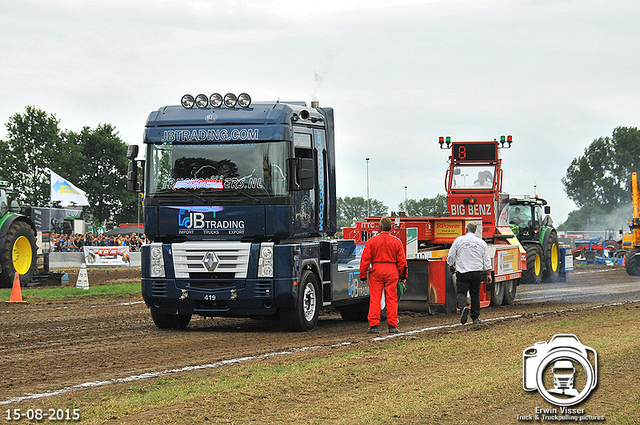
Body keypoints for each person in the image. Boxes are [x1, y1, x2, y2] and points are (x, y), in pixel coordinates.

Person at [360, 216, 408, 334]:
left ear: (380, 227)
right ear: (391, 228)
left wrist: (363, 275)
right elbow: (402, 262)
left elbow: (365, 259)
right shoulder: (397, 242)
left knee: (375, 298)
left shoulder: (372, 241)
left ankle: (374, 326)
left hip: (376, 270)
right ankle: (392, 326)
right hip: (392, 270)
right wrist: (403, 276)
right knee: (391, 299)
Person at [446, 222, 492, 325]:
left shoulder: (459, 240)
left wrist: (451, 266)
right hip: (477, 272)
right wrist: (489, 274)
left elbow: (451, 255)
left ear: (466, 230)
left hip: (463, 272)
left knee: (461, 293)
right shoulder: (481, 243)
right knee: (475, 294)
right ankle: (475, 318)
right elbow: (487, 260)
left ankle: (463, 307)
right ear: (475, 231)